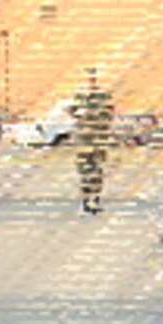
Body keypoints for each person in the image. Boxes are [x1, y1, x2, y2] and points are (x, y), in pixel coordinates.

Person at [73, 69, 113, 215]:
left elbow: (109, 115)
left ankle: (95, 200)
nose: (90, 81)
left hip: (98, 139)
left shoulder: (103, 96)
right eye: (88, 77)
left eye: (92, 78)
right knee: (84, 171)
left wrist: (94, 116)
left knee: (97, 170)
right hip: (83, 140)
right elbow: (73, 113)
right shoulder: (78, 96)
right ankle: (85, 202)